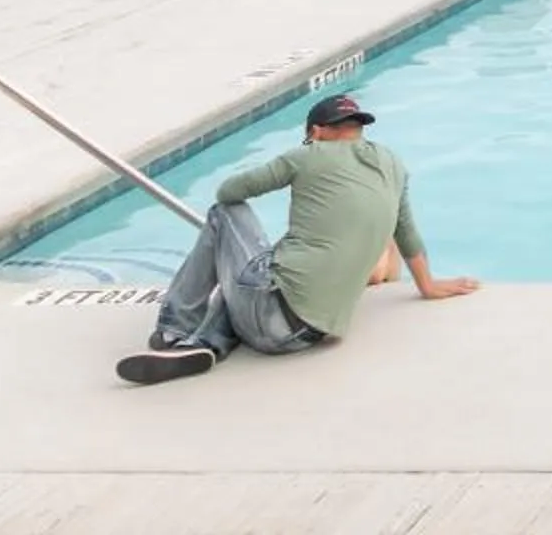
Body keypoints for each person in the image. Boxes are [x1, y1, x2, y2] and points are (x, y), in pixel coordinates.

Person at [116, 93, 477, 385]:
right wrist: (427, 286)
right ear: (358, 129)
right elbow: (407, 232)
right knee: (258, 269)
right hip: (308, 334)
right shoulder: (393, 165)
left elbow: (228, 191)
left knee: (225, 218)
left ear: (316, 132)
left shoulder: (308, 154)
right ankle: (207, 344)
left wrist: (299, 160)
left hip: (269, 313)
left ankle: (172, 329)